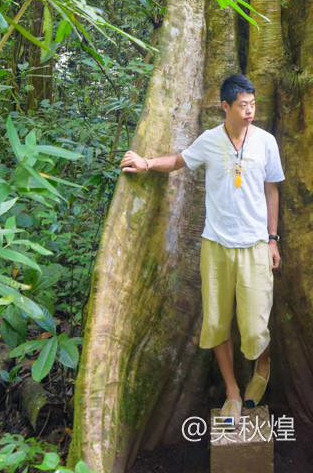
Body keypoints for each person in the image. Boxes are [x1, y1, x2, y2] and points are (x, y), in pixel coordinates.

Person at [120, 73, 285, 429]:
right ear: (225, 107)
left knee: (256, 327)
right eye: (243, 105)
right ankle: (232, 393)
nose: (250, 111)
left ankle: (263, 366)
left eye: (253, 104)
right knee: (214, 324)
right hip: (216, 247)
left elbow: (273, 190)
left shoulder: (266, 143)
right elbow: (179, 161)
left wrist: (273, 238)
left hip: (256, 245)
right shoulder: (210, 141)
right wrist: (147, 163)